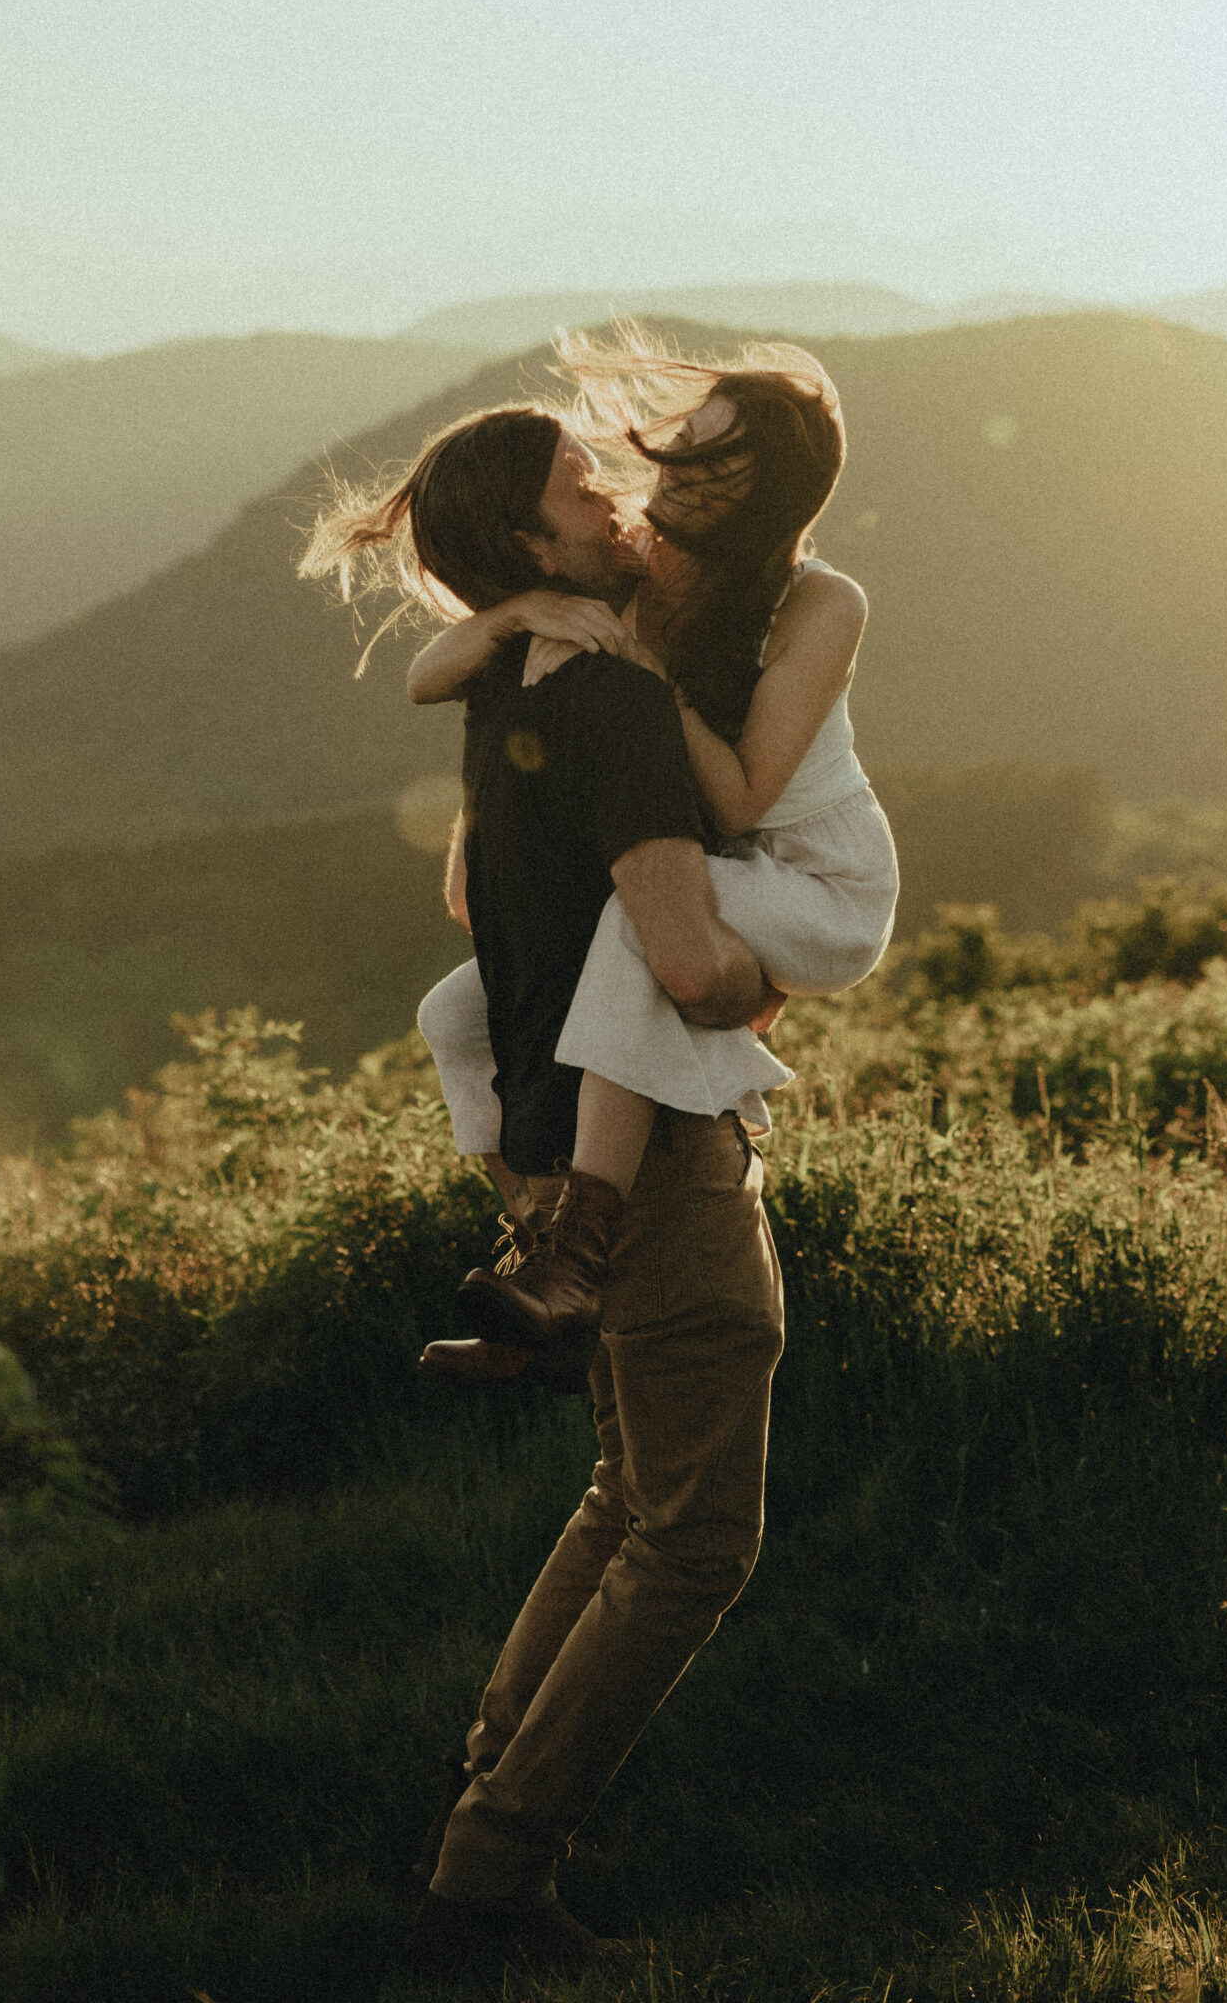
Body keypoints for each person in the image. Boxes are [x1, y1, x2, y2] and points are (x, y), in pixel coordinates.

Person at [298, 394, 789, 1975]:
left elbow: (488, 890)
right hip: (648, 1157)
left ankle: (488, 1789)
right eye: (587, 485)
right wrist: (767, 984)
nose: (615, 496)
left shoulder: (507, 675)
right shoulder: (615, 707)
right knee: (694, 1539)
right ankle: (493, 1869)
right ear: (533, 536)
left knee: (622, 1496)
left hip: (537, 1134)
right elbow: (679, 952)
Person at [405, 329, 899, 1374]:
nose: (668, 462)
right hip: (718, 865)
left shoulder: (820, 602)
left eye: (707, 453)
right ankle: (541, 1259)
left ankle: (580, 1255)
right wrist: (524, 613)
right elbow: (427, 675)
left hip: (815, 879)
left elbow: (741, 791)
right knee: (454, 1012)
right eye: (684, 437)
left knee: (633, 930)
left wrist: (644, 679)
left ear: (759, 491)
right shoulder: (648, 566)